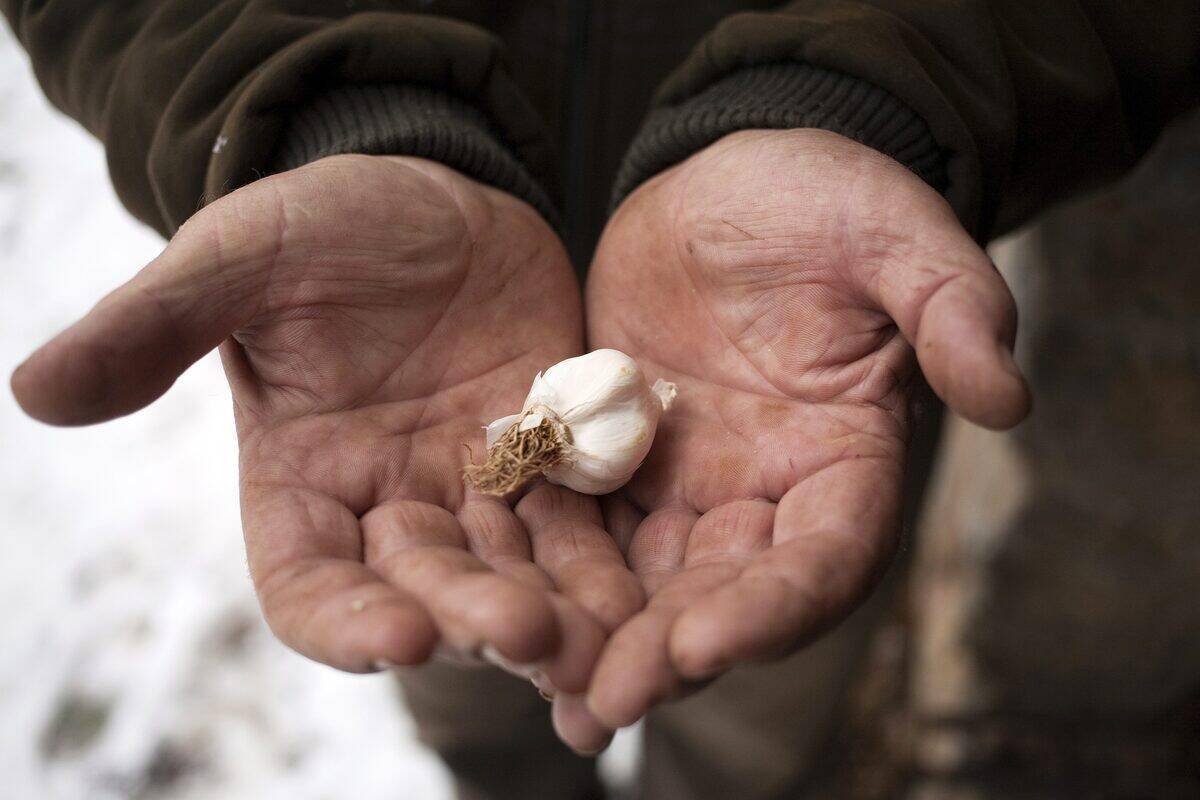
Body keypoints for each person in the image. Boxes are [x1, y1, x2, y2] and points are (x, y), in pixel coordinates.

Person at [4, 2, 1197, 798]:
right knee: (468, 654)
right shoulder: (517, 437)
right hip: (409, 350)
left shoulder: (623, 418)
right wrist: (312, 109)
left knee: (749, 680)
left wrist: (875, 93)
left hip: (783, 361)